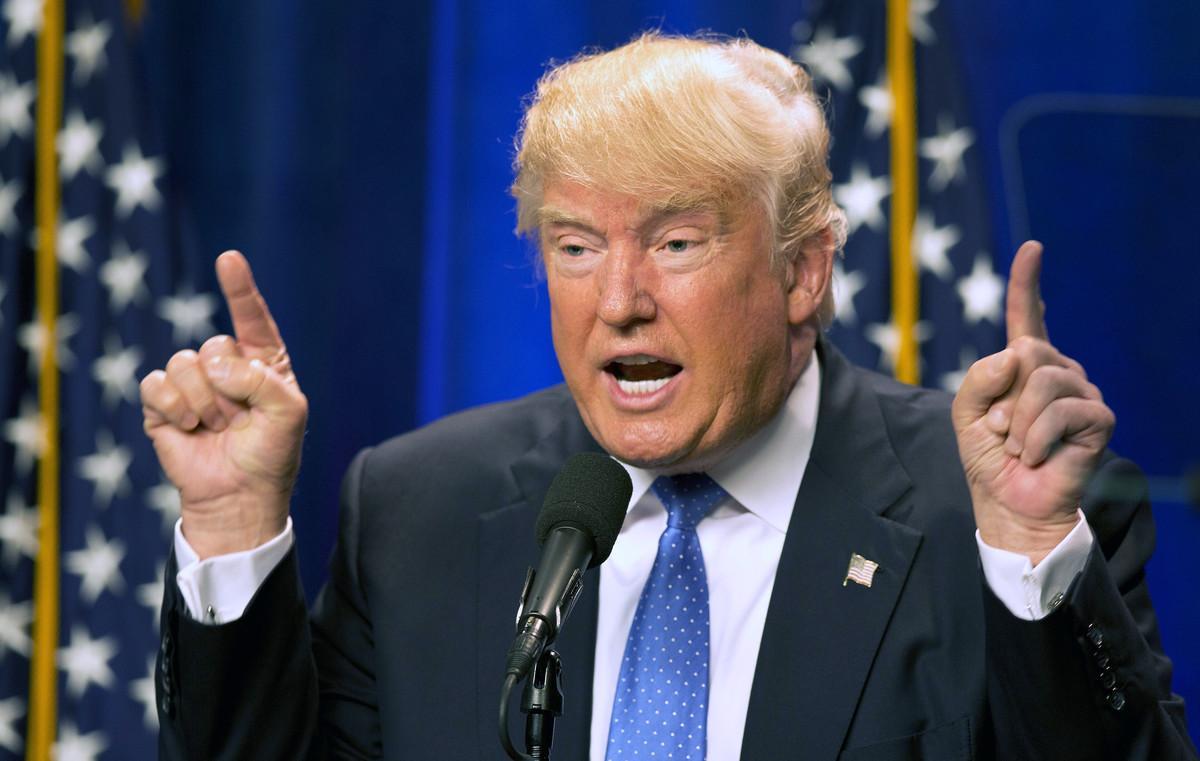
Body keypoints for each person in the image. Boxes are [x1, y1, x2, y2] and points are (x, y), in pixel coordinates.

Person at [140, 33, 1196, 760]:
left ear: (803, 270)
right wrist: (233, 524)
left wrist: (1027, 550)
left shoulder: (1001, 517)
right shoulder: (420, 507)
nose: (621, 300)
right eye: (576, 245)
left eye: (678, 241)